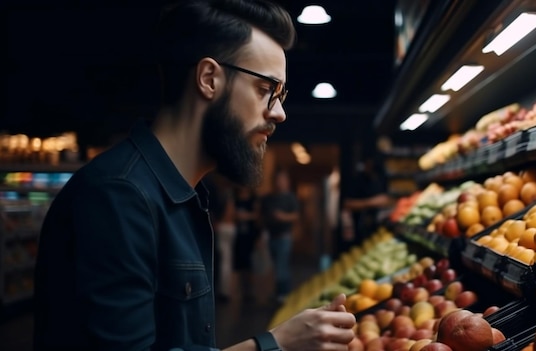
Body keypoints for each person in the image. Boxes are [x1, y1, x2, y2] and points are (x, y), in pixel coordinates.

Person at [32, 1, 356, 350]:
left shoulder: (185, 196)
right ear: (208, 79)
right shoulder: (117, 197)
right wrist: (276, 344)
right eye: (266, 90)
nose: (279, 114)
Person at [260, 168, 299, 303]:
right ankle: (278, 291)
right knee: (276, 266)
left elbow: (295, 216)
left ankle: (284, 292)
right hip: (271, 236)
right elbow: (262, 216)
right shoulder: (268, 198)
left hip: (284, 236)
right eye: (278, 180)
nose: (280, 182)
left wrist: (282, 217)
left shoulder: (290, 198)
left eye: (282, 180)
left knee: (282, 266)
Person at [340, 156, 392, 253]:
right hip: (359, 231)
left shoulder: (381, 178)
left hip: (378, 231)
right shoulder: (357, 180)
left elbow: (386, 200)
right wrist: (372, 202)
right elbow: (347, 204)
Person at [233, 186, 261, 299]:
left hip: (250, 235)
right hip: (238, 235)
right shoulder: (235, 198)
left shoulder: (253, 200)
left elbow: (257, 216)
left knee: (250, 264)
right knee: (240, 264)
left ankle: (250, 291)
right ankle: (243, 290)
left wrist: (245, 216)